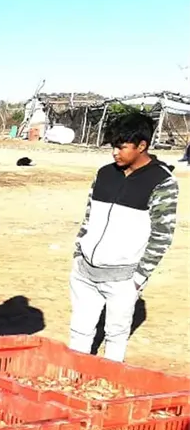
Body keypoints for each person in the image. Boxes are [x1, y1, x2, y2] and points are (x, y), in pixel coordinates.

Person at [69, 112, 179, 362]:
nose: (115, 153)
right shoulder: (104, 173)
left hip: (123, 278)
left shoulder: (162, 181)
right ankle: (74, 379)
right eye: (113, 146)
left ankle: (108, 383)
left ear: (142, 146)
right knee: (79, 332)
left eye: (121, 147)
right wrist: (78, 253)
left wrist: (138, 279)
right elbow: (88, 217)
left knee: (116, 336)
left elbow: (162, 234)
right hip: (84, 273)